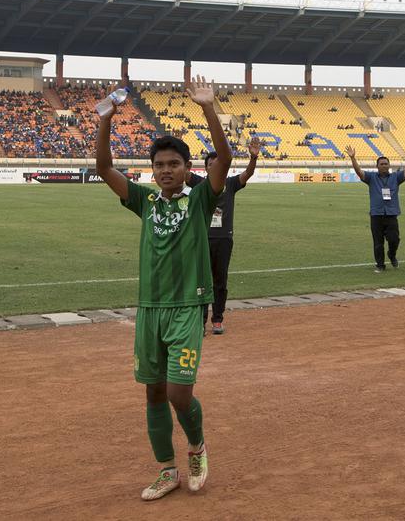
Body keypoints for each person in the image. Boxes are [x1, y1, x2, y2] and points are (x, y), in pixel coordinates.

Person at [96, 75, 228, 501]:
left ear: (187, 169)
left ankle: (197, 446)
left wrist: (208, 107)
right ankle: (166, 470)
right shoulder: (145, 202)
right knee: (153, 392)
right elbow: (103, 168)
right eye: (159, 165)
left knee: (177, 393)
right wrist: (104, 122)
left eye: (174, 164)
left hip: (187, 308)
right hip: (149, 309)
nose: (166, 170)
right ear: (152, 171)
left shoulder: (201, 199)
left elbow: (223, 159)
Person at [187, 136, 260, 335]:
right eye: (210, 164)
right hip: (202, 239)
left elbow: (248, 173)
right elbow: (183, 173)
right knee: (201, 282)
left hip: (224, 239)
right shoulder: (199, 183)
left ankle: (217, 320)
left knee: (220, 282)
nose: (214, 167)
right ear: (205, 168)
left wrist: (253, 158)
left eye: (217, 164)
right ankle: (200, 322)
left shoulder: (231, 183)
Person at [346, 142, 405, 272]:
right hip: (376, 214)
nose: (384, 166)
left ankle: (392, 255)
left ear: (389, 165)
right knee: (378, 242)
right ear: (377, 166)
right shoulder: (371, 177)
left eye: (386, 164)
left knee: (394, 239)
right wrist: (353, 158)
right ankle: (380, 265)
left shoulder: (396, 177)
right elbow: (359, 172)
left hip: (391, 214)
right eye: (382, 164)